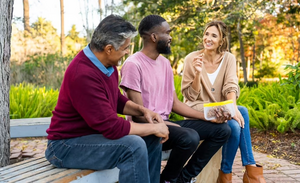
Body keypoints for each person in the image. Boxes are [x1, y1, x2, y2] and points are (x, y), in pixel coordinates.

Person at [45, 15, 169, 183]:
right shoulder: (82, 74)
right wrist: (154, 128)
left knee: (150, 139)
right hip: (65, 147)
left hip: (91, 137)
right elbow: (112, 127)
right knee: (133, 146)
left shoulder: (107, 65)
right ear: (109, 49)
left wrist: (143, 110)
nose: (127, 52)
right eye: (125, 48)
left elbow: (116, 99)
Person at [120, 15, 231, 183]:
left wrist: (208, 117)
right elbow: (138, 115)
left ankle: (183, 179)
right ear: (154, 37)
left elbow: (174, 104)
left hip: (166, 124)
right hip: (147, 128)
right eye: (167, 32)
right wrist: (164, 125)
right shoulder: (133, 64)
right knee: (190, 136)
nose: (170, 37)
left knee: (222, 130)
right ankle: (168, 180)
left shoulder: (164, 64)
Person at [181, 20, 266, 183]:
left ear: (222, 40)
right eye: (206, 34)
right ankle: (241, 173)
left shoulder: (228, 58)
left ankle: (239, 171)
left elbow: (231, 86)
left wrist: (232, 108)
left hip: (221, 108)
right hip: (199, 110)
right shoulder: (191, 59)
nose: (208, 38)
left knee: (242, 112)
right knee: (234, 124)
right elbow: (190, 96)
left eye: (214, 35)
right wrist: (198, 74)